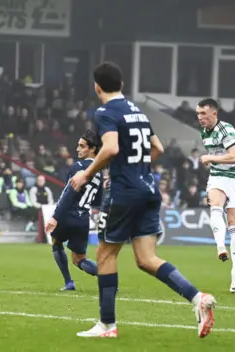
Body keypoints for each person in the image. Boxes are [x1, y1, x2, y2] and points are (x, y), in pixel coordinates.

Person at [69, 62, 216, 339]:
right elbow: (157, 148)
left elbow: (111, 148)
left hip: (124, 192)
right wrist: (137, 167)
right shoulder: (137, 111)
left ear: (96, 86)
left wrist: (87, 174)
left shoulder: (105, 112)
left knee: (105, 254)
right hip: (148, 189)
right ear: (122, 85)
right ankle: (198, 299)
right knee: (147, 259)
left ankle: (107, 325)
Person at [196, 98, 235, 293]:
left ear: (214, 114)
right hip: (217, 175)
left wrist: (210, 158)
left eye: (204, 114)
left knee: (234, 222)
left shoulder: (227, 130)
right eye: (198, 114)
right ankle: (220, 247)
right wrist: (214, 162)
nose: (200, 118)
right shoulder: (204, 133)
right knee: (215, 205)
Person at [44, 132, 101, 291]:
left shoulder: (79, 167)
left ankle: (69, 282)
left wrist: (55, 217)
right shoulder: (100, 172)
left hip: (68, 214)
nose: (78, 149)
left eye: (82, 146)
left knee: (56, 243)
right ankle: (107, 275)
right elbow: (97, 200)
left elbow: (68, 193)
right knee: (79, 259)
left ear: (92, 149)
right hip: (83, 218)